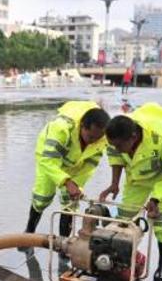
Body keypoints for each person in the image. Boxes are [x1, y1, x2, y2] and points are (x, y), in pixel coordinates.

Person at [99, 102, 162, 281]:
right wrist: (114, 184)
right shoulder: (115, 136)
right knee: (124, 218)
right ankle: (120, 261)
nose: (115, 149)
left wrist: (156, 198)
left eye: (119, 146)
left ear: (134, 136)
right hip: (138, 176)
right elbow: (115, 157)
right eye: (112, 145)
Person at [21, 101, 111, 241]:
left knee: (70, 202)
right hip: (49, 158)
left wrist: (75, 184)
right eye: (90, 137)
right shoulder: (61, 128)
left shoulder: (102, 138)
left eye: (97, 138)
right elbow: (48, 161)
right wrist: (66, 182)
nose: (93, 142)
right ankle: (29, 232)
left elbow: (91, 164)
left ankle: (64, 243)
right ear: (82, 126)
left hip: (75, 163)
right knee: (42, 197)